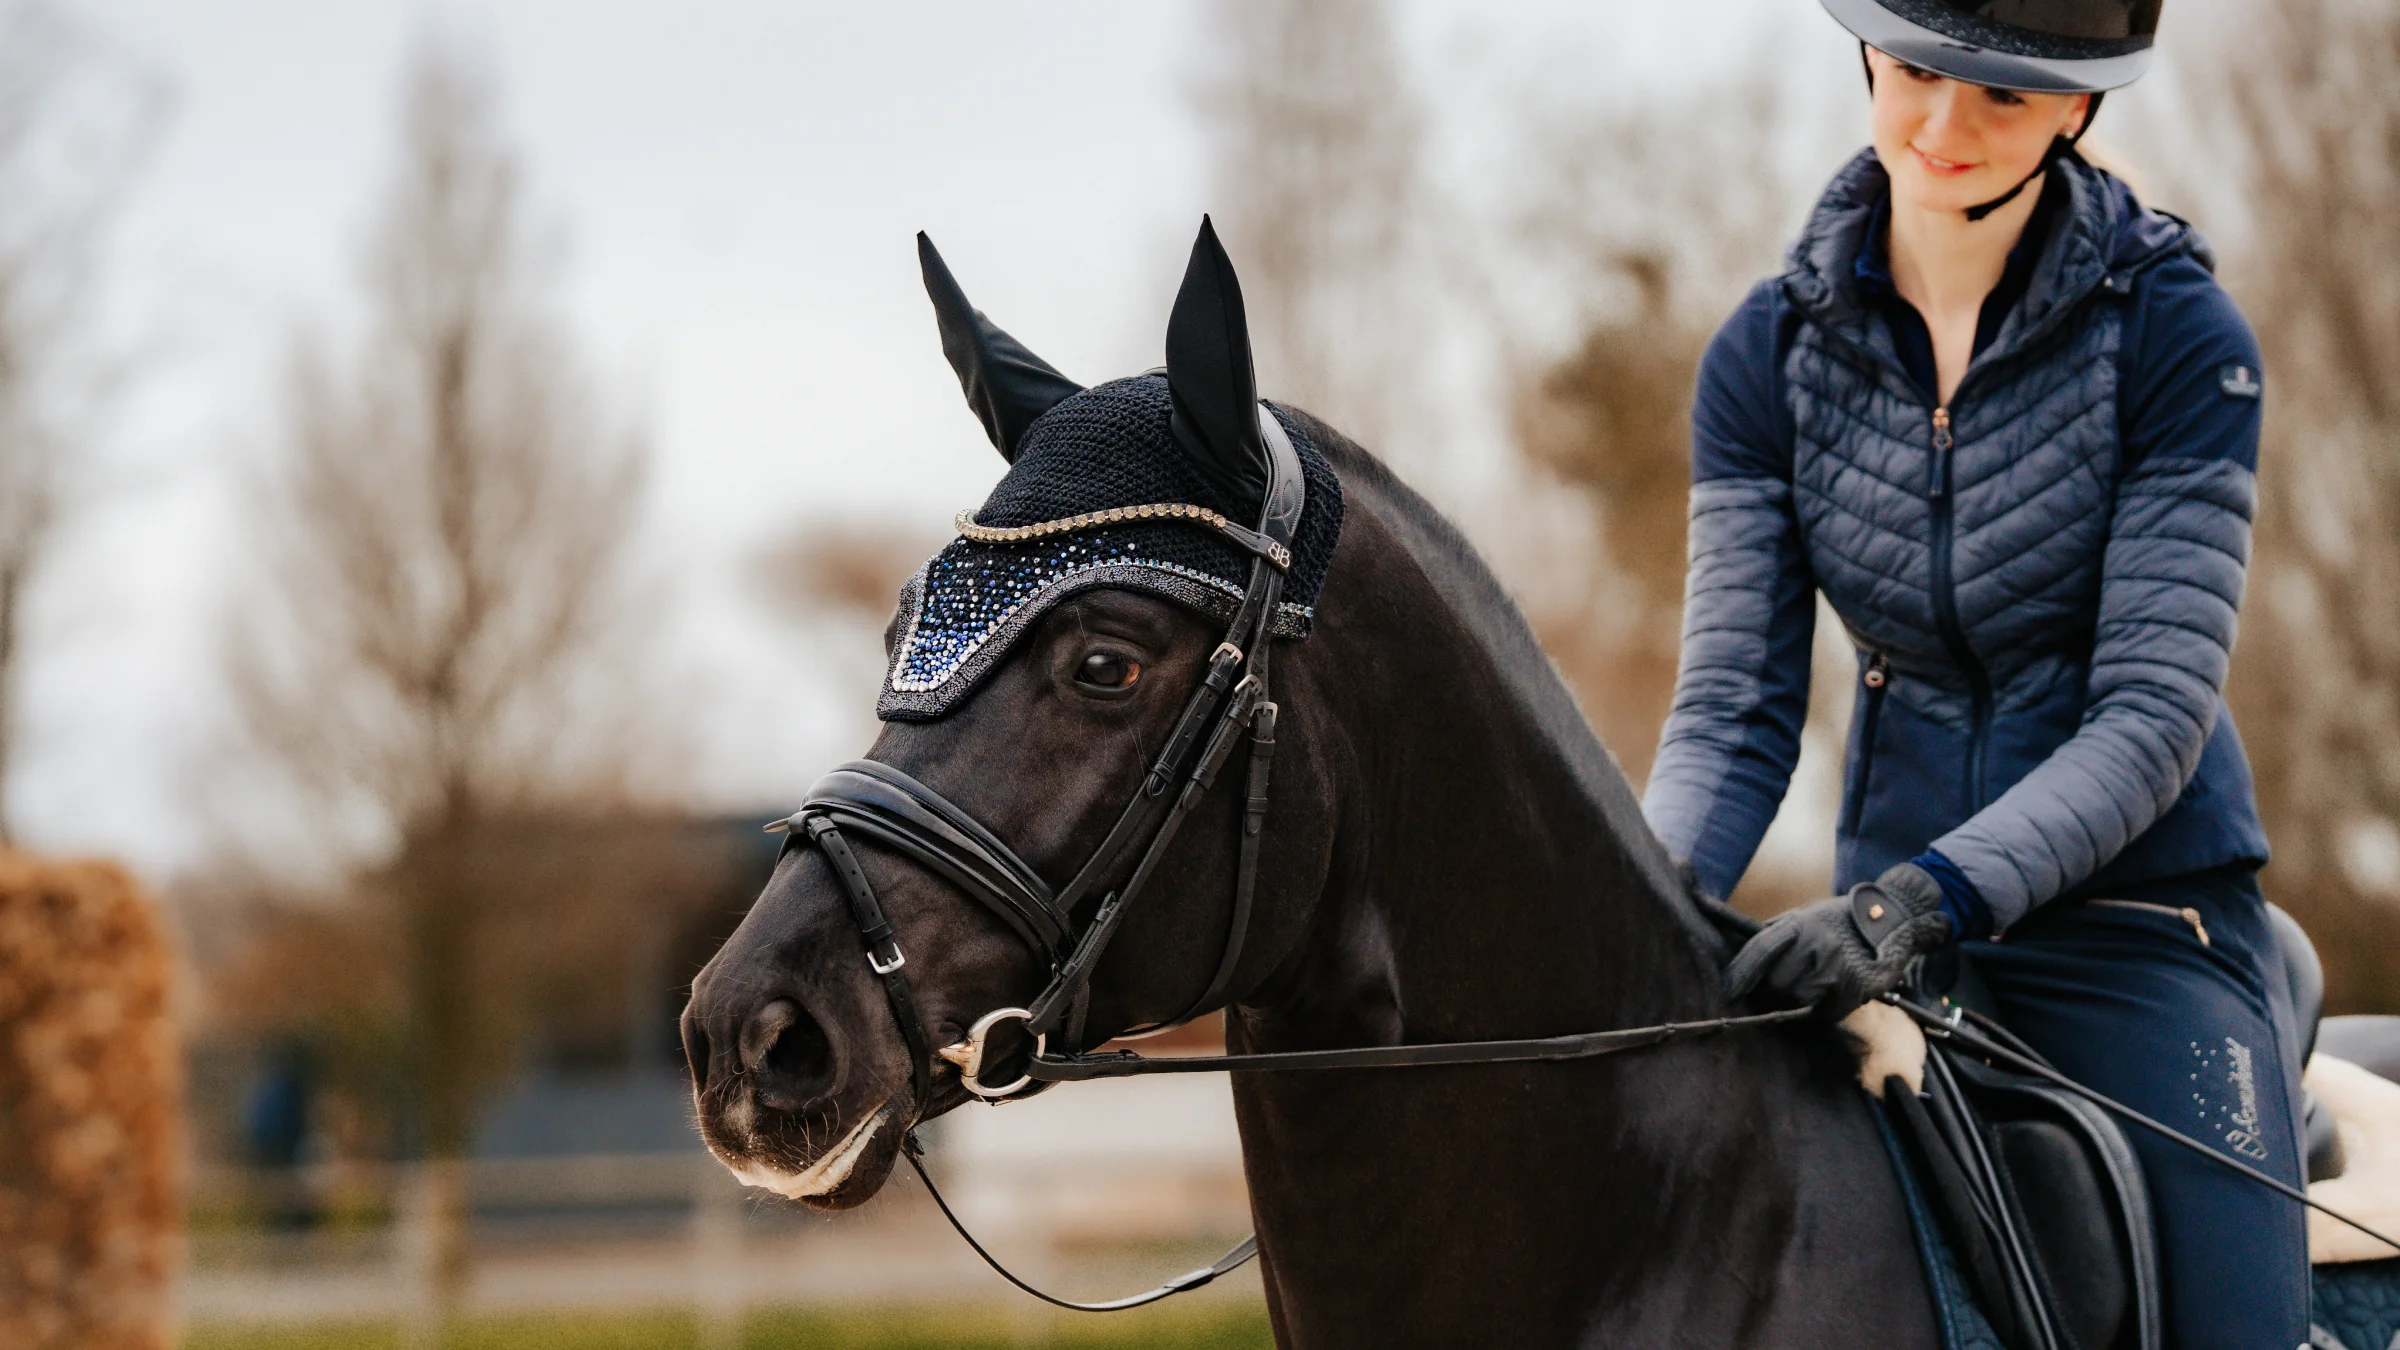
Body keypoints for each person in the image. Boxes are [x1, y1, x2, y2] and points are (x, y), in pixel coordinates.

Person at [1640, 0, 2308, 1343]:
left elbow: (2151, 715)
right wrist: (1640, 909)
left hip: (2138, 929)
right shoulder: (1762, 357)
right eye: (1917, 71)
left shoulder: (2182, 339)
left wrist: (1917, 902)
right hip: (1882, 926)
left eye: (2001, 97)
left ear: (2079, 110)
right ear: (1871, 56)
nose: (1942, 127)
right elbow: (1732, 710)